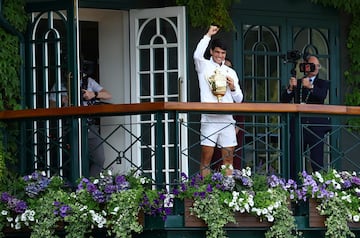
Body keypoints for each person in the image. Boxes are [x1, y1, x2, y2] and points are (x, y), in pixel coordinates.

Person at [193, 25, 244, 177]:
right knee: (206, 158)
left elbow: (239, 100)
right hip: (209, 119)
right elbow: (196, 55)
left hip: (227, 120)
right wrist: (208, 35)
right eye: (217, 52)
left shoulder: (231, 72)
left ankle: (227, 192)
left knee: (228, 159)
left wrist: (233, 87)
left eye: (223, 53)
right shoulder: (204, 66)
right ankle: (205, 194)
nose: (220, 56)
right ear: (211, 52)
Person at [50, 63, 112, 177]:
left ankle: (90, 186)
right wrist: (62, 102)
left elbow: (108, 95)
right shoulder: (59, 85)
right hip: (68, 126)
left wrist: (93, 94)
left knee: (99, 158)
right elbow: (51, 107)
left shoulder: (88, 81)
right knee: (72, 159)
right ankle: (73, 186)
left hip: (88, 125)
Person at [281, 55, 330, 178]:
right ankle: (293, 186)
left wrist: (310, 86)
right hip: (298, 126)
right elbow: (284, 100)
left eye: (316, 65)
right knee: (294, 158)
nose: (313, 68)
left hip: (316, 127)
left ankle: (318, 190)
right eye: (310, 65)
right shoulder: (298, 83)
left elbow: (321, 96)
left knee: (316, 160)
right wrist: (290, 88)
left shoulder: (322, 83)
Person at [211, 58, 245, 171]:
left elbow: (241, 105)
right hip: (215, 124)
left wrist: (238, 127)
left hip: (232, 126)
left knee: (231, 157)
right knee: (216, 157)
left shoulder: (234, 84)